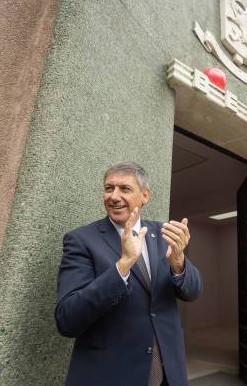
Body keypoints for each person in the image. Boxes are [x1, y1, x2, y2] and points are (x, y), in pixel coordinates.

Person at [55, 162, 203, 386]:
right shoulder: (81, 240)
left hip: (168, 373)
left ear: (145, 195)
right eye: (108, 188)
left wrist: (178, 262)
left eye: (124, 189)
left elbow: (193, 291)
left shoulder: (163, 234)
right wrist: (123, 265)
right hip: (110, 374)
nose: (114, 196)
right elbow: (67, 319)